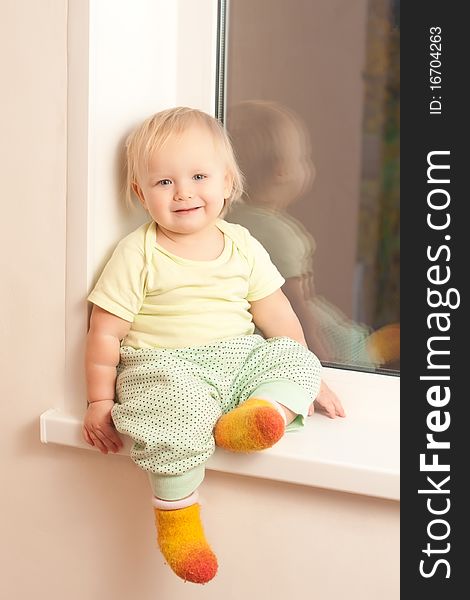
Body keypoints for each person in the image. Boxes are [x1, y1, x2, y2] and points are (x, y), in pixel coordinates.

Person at [82, 107, 335, 585]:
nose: (183, 192)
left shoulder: (242, 243)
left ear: (227, 183)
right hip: (166, 367)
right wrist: (98, 400)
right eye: (163, 183)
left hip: (236, 359)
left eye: (199, 176)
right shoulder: (138, 252)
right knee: (169, 414)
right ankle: (179, 522)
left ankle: (256, 419)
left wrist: (310, 375)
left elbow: (278, 316)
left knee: (293, 358)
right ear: (141, 193)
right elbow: (105, 333)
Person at [226, 100, 400, 370]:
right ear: (282, 171)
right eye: (303, 158)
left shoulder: (228, 218)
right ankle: (371, 353)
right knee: (350, 342)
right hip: (294, 327)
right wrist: (317, 353)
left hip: (247, 326)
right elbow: (294, 301)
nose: (307, 165)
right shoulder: (280, 234)